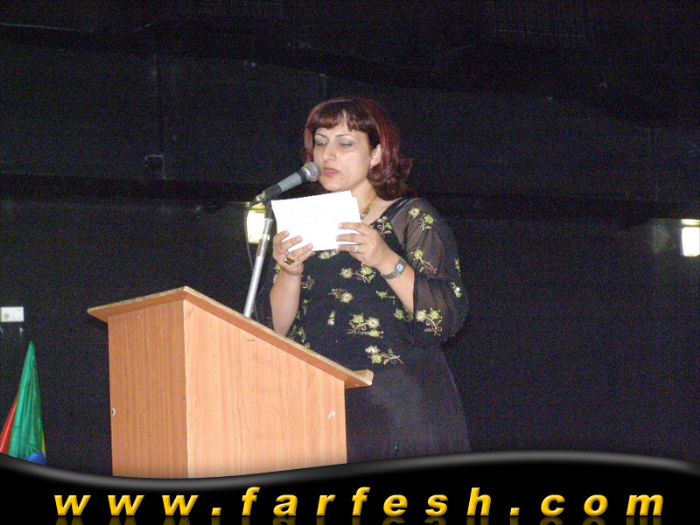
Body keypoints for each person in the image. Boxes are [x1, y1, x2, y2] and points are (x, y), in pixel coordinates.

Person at [265, 96, 470, 462]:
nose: (328, 155)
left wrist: (385, 259)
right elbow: (271, 332)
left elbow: (443, 318)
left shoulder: (410, 217)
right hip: (319, 402)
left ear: (376, 155)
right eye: (321, 142)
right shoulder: (301, 221)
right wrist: (290, 273)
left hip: (395, 404)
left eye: (345, 144)